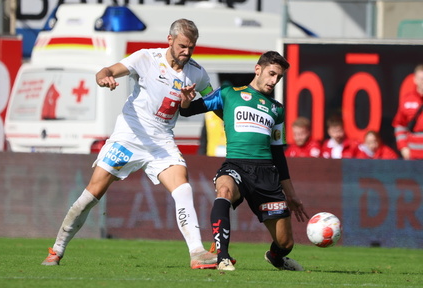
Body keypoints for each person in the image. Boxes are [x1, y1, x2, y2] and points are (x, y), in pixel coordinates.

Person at [41, 19, 218, 269]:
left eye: (191, 47)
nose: (187, 52)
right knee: (91, 196)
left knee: (183, 187)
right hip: (129, 136)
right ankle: (57, 250)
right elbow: (105, 71)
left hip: (161, 141)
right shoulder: (145, 58)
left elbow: (211, 99)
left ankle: (197, 252)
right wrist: (105, 79)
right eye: (182, 46)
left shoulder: (197, 72)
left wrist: (189, 103)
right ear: (170, 40)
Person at [179, 51, 309, 271]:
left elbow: (278, 155)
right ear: (257, 69)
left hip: (266, 174)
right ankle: (223, 257)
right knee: (224, 192)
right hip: (236, 165)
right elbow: (189, 111)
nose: (274, 81)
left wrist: (292, 194)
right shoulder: (229, 94)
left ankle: (276, 257)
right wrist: (185, 101)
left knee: (285, 243)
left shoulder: (277, 109)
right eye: (271, 74)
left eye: (278, 77)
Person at [392, 64, 423, 160]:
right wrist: (403, 148)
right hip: (412, 157)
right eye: (421, 78)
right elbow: (399, 125)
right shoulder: (407, 100)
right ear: (415, 79)